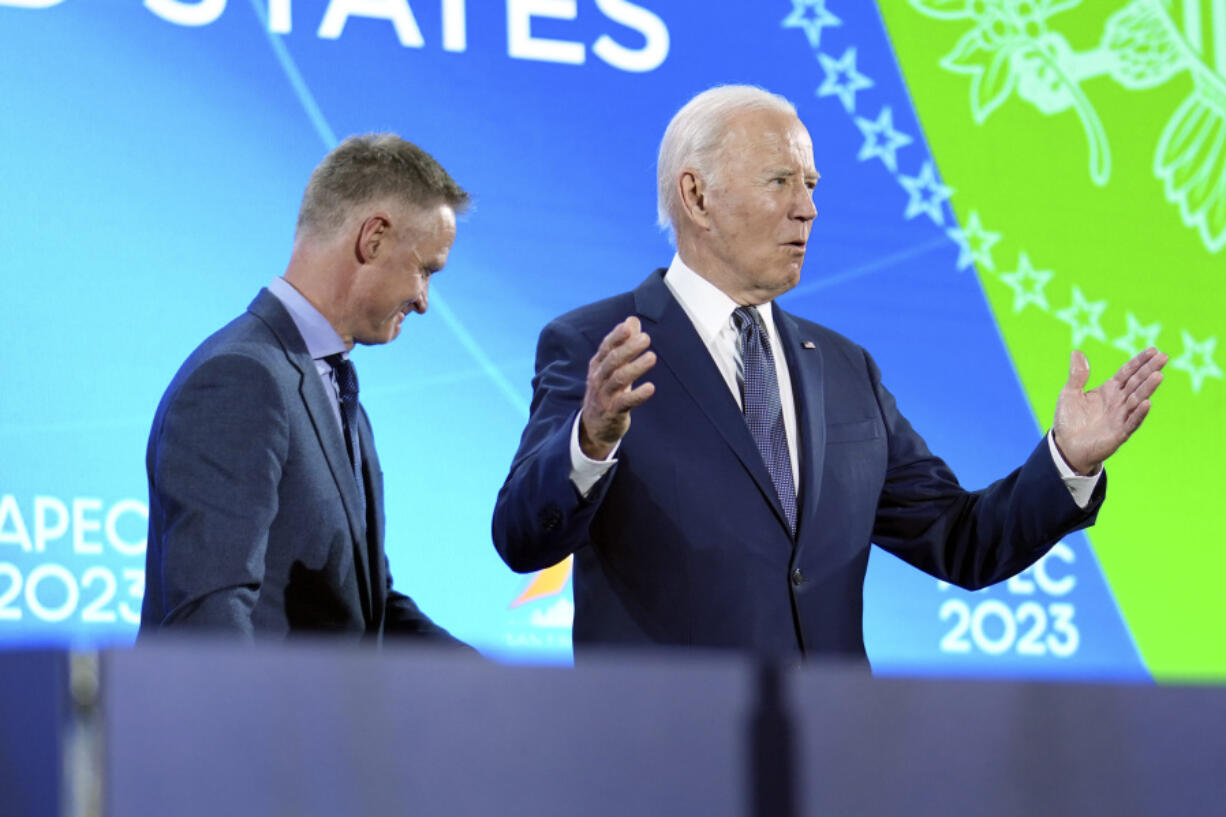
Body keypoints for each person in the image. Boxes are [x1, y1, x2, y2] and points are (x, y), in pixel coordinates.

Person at [491, 86, 1166, 661]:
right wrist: (589, 440)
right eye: (780, 181)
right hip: (669, 764)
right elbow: (524, 537)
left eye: (810, 185)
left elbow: (962, 541)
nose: (808, 208)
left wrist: (1067, 460)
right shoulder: (596, 345)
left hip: (829, 765)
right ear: (695, 195)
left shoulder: (845, 369)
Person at [141, 134, 470, 646]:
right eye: (425, 269)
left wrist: (507, 689)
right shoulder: (240, 380)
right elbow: (210, 619)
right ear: (374, 237)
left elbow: (370, 609)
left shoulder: (335, 393)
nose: (424, 300)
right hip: (249, 725)